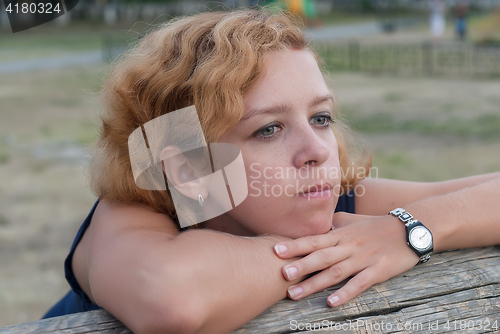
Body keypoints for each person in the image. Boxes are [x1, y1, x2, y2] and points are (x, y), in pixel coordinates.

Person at [42, 8, 500, 334]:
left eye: (320, 118)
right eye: (269, 129)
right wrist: (330, 249)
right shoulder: (131, 213)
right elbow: (173, 299)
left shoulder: (324, 195)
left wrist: (408, 230)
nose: (317, 150)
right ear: (189, 168)